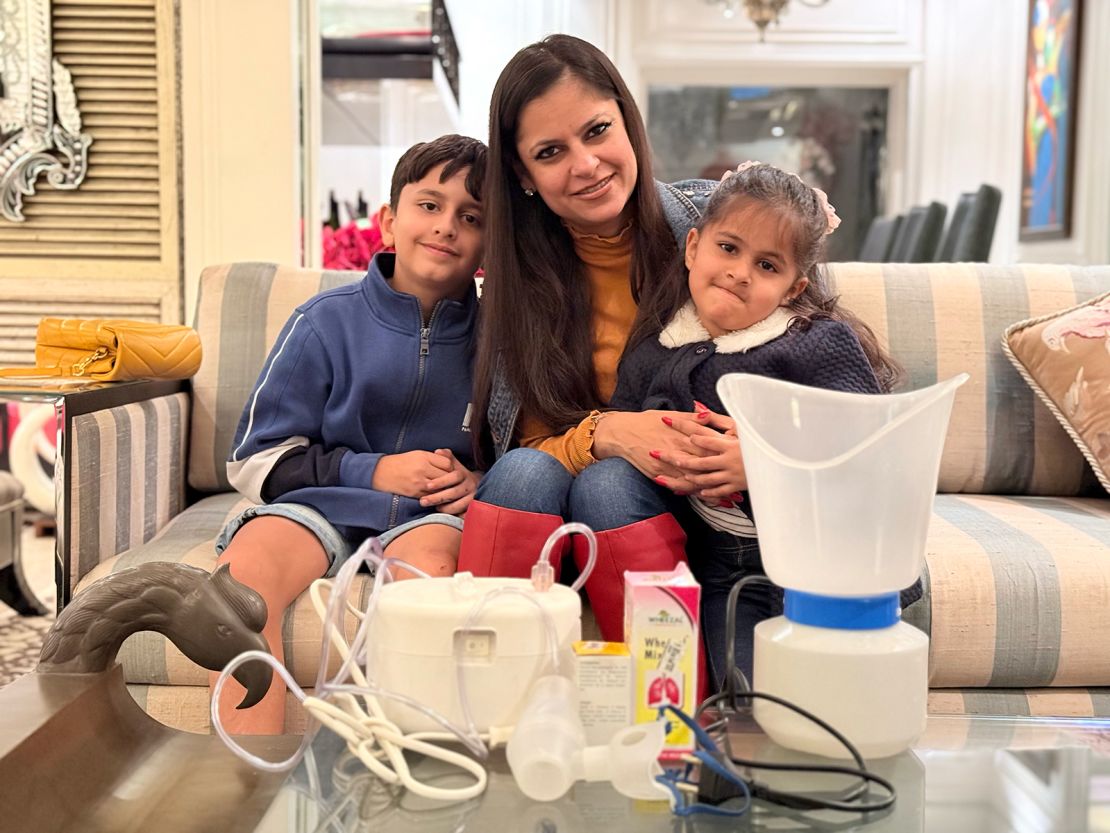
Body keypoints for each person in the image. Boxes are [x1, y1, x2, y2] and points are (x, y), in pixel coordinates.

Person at [212, 134, 487, 733]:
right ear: (389, 222)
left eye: (471, 217)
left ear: (489, 244)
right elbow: (256, 460)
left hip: (428, 516)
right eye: (430, 206)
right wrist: (371, 470)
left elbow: (524, 453)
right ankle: (247, 790)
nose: (447, 227)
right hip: (318, 505)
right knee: (241, 587)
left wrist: (478, 480)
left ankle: (414, 783)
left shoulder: (501, 344)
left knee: (434, 588)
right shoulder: (322, 323)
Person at [456, 34, 724, 643]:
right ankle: (478, 702)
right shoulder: (513, 280)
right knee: (528, 473)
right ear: (523, 175)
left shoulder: (718, 227)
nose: (585, 164)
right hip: (553, 517)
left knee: (610, 487)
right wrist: (605, 434)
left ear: (628, 124)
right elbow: (520, 455)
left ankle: (663, 719)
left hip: (699, 506)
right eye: (551, 151)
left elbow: (805, 366)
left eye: (597, 131)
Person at [608, 161, 916, 687]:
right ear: (693, 249)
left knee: (803, 696)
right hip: (719, 558)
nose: (740, 272)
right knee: (738, 691)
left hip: (815, 559)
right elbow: (626, 429)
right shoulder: (655, 351)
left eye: (767, 266)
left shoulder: (813, 344)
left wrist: (762, 462)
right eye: (728, 249)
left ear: (793, 288)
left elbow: (869, 448)